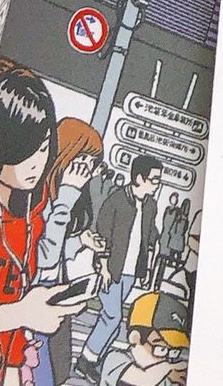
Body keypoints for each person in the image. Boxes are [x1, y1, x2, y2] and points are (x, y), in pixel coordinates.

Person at [0, 62, 91, 384]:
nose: (37, 162)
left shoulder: (31, 211)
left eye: (44, 148)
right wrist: (21, 313)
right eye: (27, 149)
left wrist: (14, 368)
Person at [36, 120, 108, 386]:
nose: (86, 170)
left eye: (92, 163)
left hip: (53, 293)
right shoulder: (39, 194)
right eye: (83, 160)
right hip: (34, 298)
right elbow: (44, 257)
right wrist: (67, 195)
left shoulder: (63, 195)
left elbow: (54, 251)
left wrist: (80, 241)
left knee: (58, 369)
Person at [77, 159, 162, 380]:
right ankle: (85, 361)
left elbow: (149, 236)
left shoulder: (151, 206)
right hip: (111, 268)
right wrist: (104, 267)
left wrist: (146, 268)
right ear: (139, 178)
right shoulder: (116, 200)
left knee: (114, 322)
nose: (157, 184)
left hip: (131, 271)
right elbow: (103, 233)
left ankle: (95, 360)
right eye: (154, 179)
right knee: (112, 316)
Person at [93, 292, 186, 386]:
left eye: (174, 352)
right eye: (161, 349)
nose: (166, 358)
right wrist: (167, 368)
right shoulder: (116, 359)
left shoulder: (162, 376)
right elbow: (142, 379)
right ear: (135, 338)